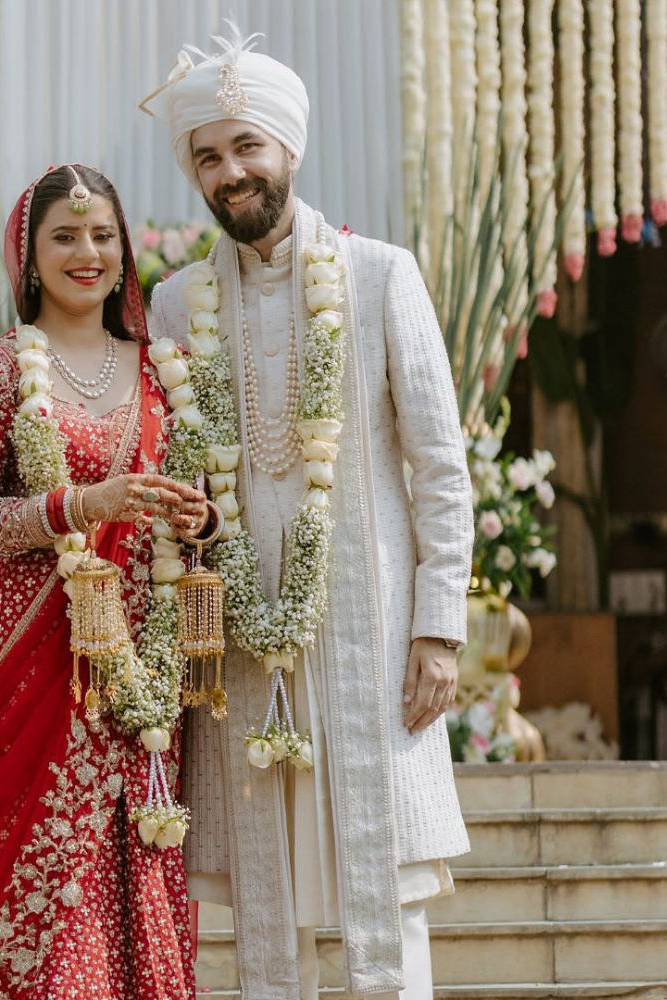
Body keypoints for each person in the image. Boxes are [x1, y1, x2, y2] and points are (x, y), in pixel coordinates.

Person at [142, 27, 474, 1000]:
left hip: (368, 636)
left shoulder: (379, 275)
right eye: (207, 155)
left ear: (288, 148)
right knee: (264, 893)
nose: (230, 171)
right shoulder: (175, 305)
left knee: (389, 892)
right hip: (240, 643)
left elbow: (440, 468)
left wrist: (438, 627)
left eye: (246, 146)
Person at [0, 164, 210, 1000]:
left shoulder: (164, 370)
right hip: (32, 667)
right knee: (41, 906)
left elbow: (206, 503)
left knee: (138, 891)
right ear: (30, 257)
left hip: (143, 670)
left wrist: (199, 520)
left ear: (124, 251)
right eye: (65, 236)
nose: (87, 252)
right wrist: (81, 503)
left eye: (102, 235)